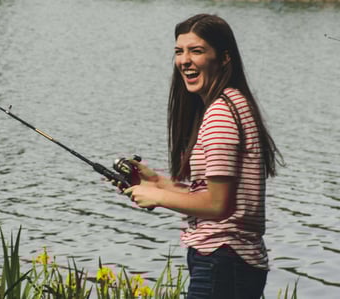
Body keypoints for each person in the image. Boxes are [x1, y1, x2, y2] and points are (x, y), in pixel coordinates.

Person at [120, 14, 282, 299]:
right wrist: (156, 181)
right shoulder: (233, 103)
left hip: (223, 261)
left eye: (196, 51)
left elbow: (218, 205)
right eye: (179, 51)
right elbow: (208, 193)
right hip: (229, 262)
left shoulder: (220, 114)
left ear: (224, 58)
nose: (184, 60)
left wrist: (157, 197)